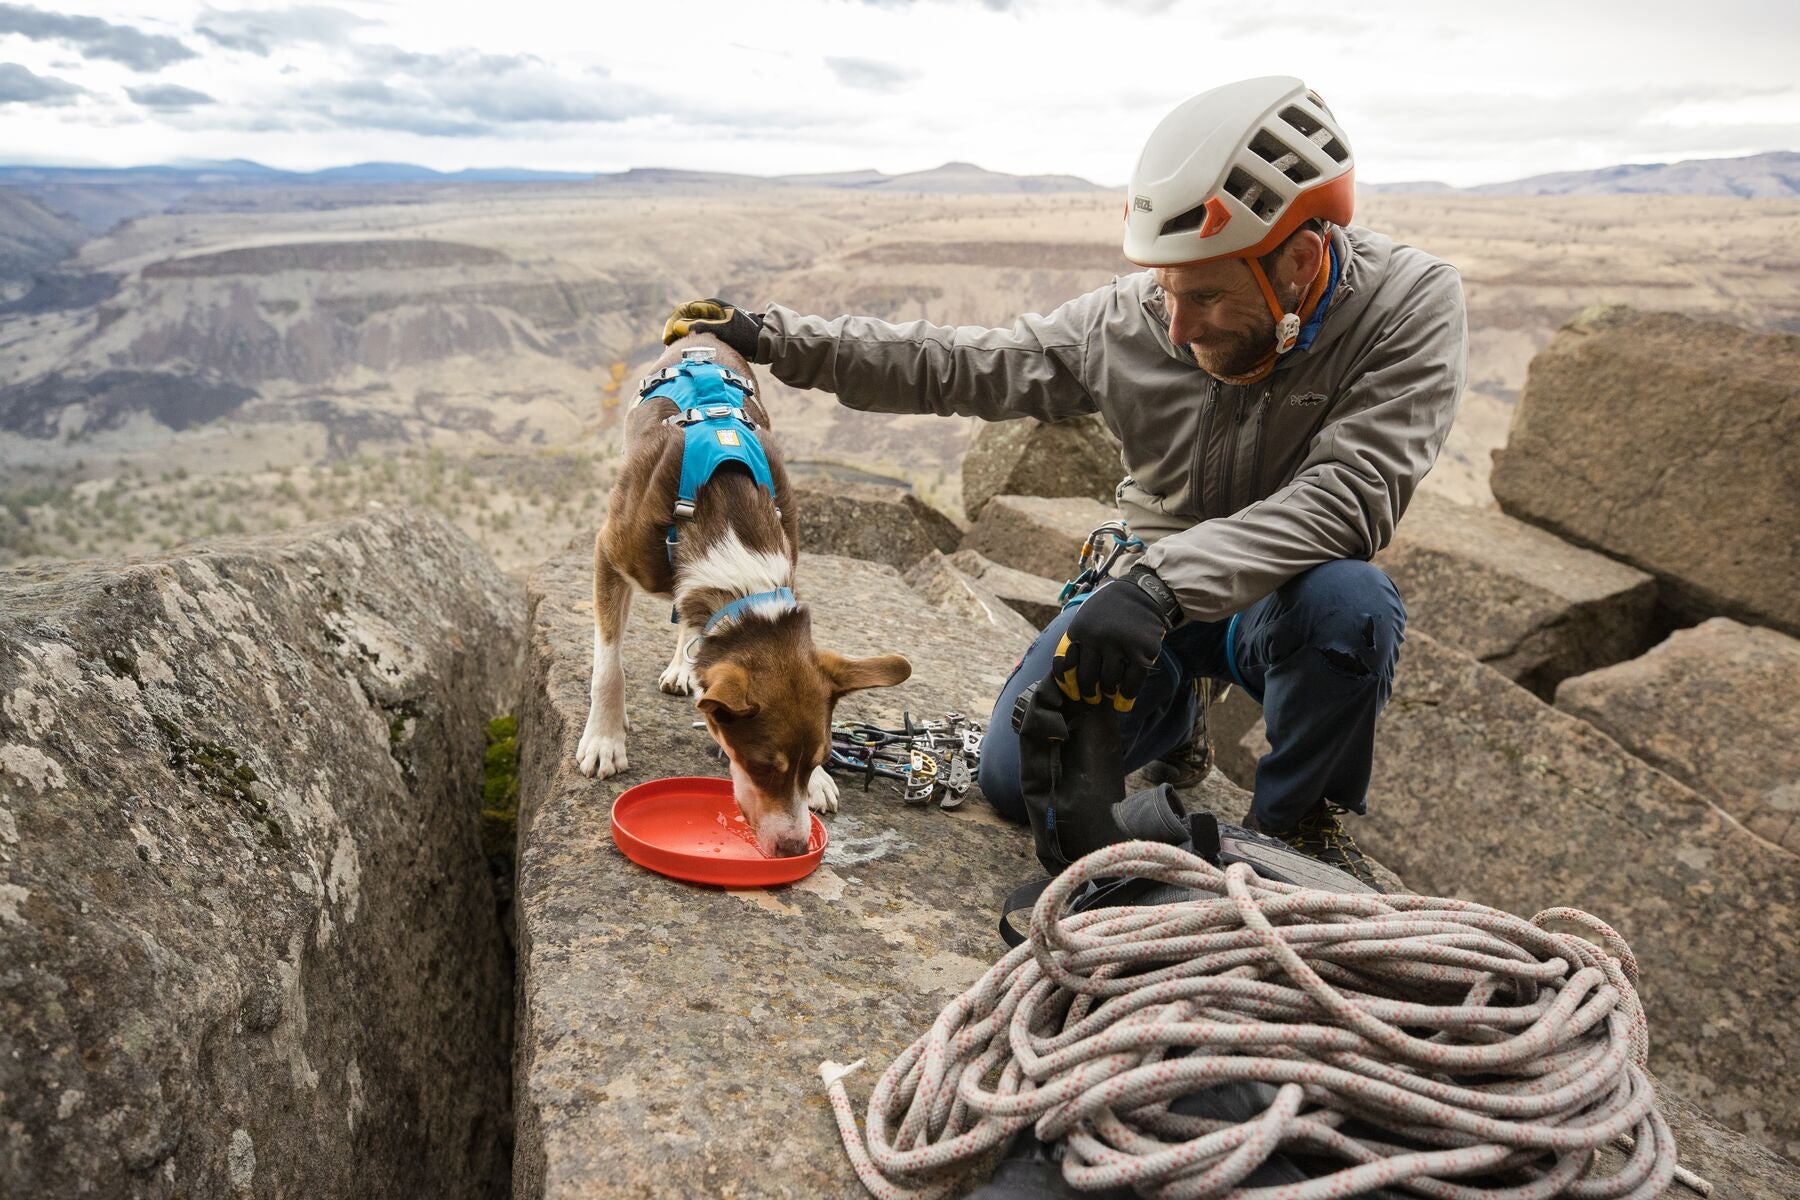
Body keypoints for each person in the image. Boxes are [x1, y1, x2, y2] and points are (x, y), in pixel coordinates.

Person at [660, 76, 1467, 884]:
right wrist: (772, 338)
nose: (1177, 328)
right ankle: (1174, 710)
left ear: (1298, 258)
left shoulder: (1408, 306)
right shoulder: (1134, 320)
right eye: (1166, 288)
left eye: (1208, 296)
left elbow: (1350, 496)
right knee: (1015, 784)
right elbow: (962, 362)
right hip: (1141, 602)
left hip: (1283, 595)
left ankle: (1292, 831)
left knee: (1351, 606)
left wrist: (1162, 586)